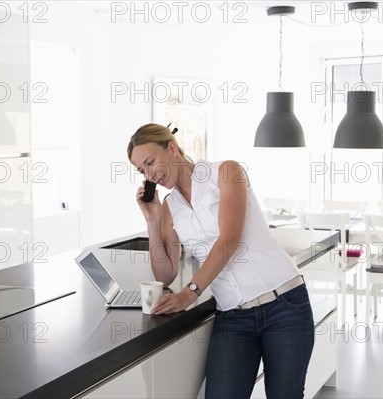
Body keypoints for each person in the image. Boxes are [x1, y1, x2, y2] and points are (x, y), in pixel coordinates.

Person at [127, 123, 314, 398]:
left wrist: (189, 294)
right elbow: (165, 274)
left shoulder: (227, 172)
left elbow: (229, 241)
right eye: (142, 170)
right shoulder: (169, 207)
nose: (150, 173)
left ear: (172, 148)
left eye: (151, 162)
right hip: (233, 315)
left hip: (284, 305)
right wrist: (153, 222)